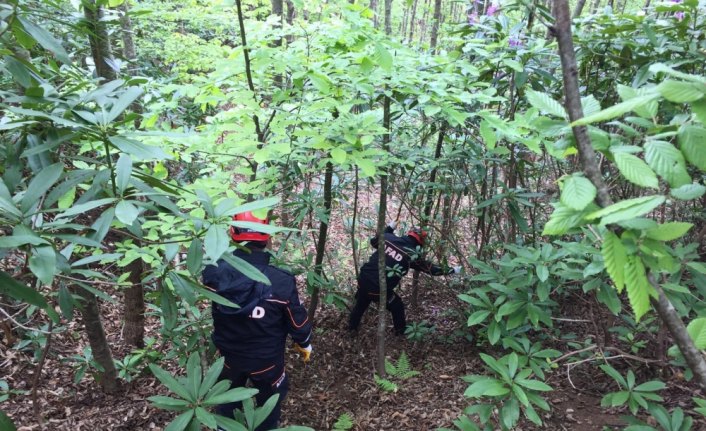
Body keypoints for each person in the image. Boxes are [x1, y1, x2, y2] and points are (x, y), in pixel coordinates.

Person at [202, 211, 312, 431]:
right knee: (268, 408)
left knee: (228, 402)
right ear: (267, 238)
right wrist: (305, 342)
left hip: (229, 356)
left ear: (232, 236)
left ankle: (225, 427)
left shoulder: (214, 273)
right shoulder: (280, 281)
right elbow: (297, 322)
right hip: (267, 362)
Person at [348, 222, 461, 336]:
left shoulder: (388, 238)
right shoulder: (412, 255)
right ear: (420, 243)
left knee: (361, 303)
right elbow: (431, 269)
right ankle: (400, 331)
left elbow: (374, 241)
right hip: (378, 288)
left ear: (409, 234)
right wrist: (453, 270)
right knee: (397, 306)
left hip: (363, 278)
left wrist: (389, 228)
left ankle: (351, 329)